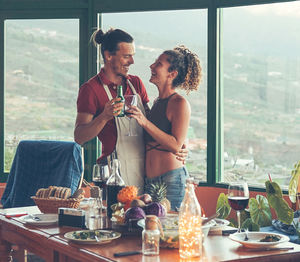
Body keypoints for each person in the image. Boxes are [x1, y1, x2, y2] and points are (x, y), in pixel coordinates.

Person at [74, 28, 187, 191]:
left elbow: (150, 123)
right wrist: (104, 117)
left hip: (145, 173)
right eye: (126, 56)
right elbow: (79, 136)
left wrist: (181, 143)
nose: (132, 61)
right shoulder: (90, 89)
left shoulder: (136, 83)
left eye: (132, 56)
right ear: (108, 55)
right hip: (114, 175)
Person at [129, 45, 202, 210]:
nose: (152, 66)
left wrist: (144, 121)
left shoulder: (179, 103)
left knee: (171, 231)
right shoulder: (156, 103)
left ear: (172, 74)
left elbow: (176, 145)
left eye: (158, 64)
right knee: (150, 229)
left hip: (172, 180)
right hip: (150, 182)